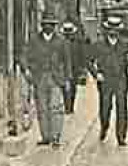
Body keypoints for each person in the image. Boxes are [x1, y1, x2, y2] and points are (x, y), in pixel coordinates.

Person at [24, 12, 71, 148]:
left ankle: (56, 136)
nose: (48, 27)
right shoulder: (34, 41)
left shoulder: (61, 41)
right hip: (40, 78)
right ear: (42, 25)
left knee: (56, 107)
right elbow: (25, 55)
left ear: (55, 26)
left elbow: (67, 61)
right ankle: (45, 136)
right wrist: (27, 69)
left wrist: (67, 79)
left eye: (51, 25)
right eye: (46, 24)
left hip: (56, 78)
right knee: (42, 108)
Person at [88, 15, 128, 146]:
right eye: (111, 30)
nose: (113, 32)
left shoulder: (125, 45)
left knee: (122, 107)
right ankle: (104, 126)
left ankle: (121, 136)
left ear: (119, 31)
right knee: (105, 107)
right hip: (105, 80)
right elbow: (88, 61)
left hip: (121, 80)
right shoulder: (98, 45)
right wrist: (96, 74)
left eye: (116, 30)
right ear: (106, 30)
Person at [60, 19, 87, 115]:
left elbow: (82, 56)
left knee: (73, 87)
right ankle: (67, 105)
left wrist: (82, 69)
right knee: (64, 88)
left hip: (75, 68)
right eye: (66, 33)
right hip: (64, 68)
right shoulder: (60, 43)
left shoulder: (77, 43)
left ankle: (71, 106)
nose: (68, 34)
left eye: (69, 32)